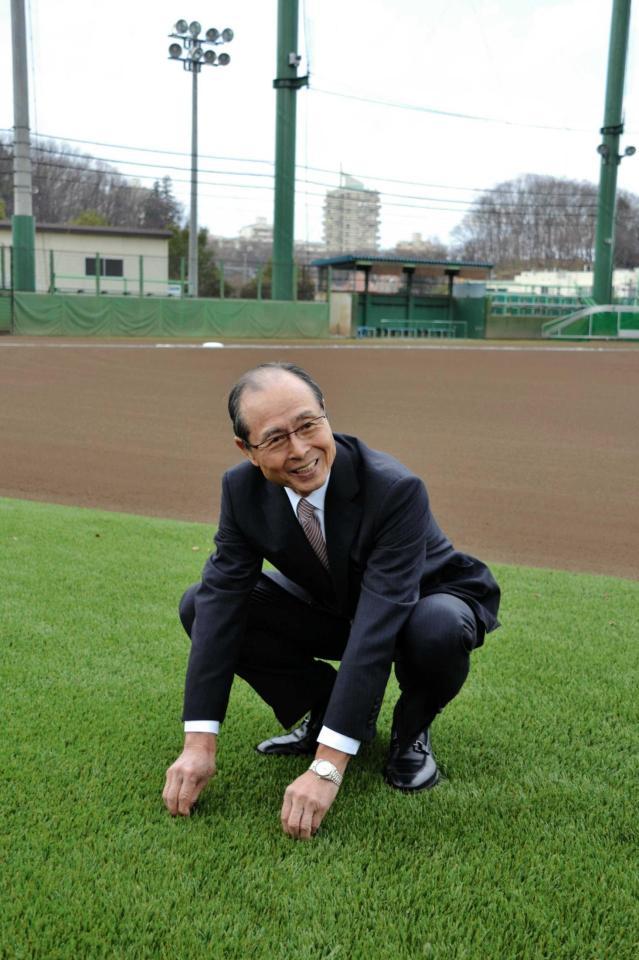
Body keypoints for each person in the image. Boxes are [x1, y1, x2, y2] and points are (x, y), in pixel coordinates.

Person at [163, 362, 500, 839]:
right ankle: (322, 707)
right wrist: (199, 743)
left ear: (326, 414)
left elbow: (378, 624)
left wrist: (327, 768)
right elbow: (221, 601)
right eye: (276, 438)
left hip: (425, 601)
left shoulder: (393, 488)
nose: (300, 450)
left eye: (308, 425)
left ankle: (410, 729)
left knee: (438, 628)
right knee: (199, 605)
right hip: (335, 605)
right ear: (247, 450)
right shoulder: (240, 491)